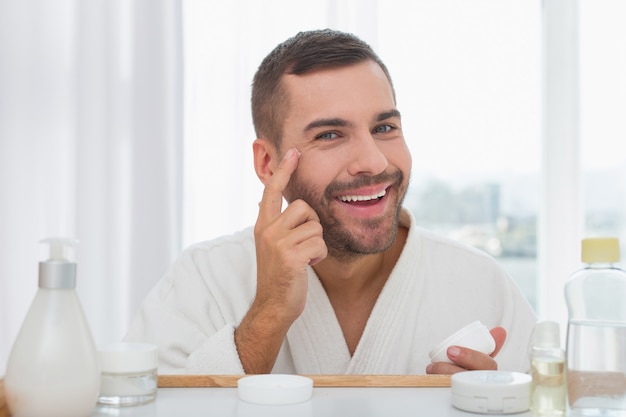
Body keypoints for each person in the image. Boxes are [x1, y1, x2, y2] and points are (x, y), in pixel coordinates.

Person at [124, 29, 536, 375]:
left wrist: (498, 405)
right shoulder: (204, 281)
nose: (373, 161)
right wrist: (268, 315)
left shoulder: (481, 285)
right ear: (268, 164)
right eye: (329, 135)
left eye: (384, 127)